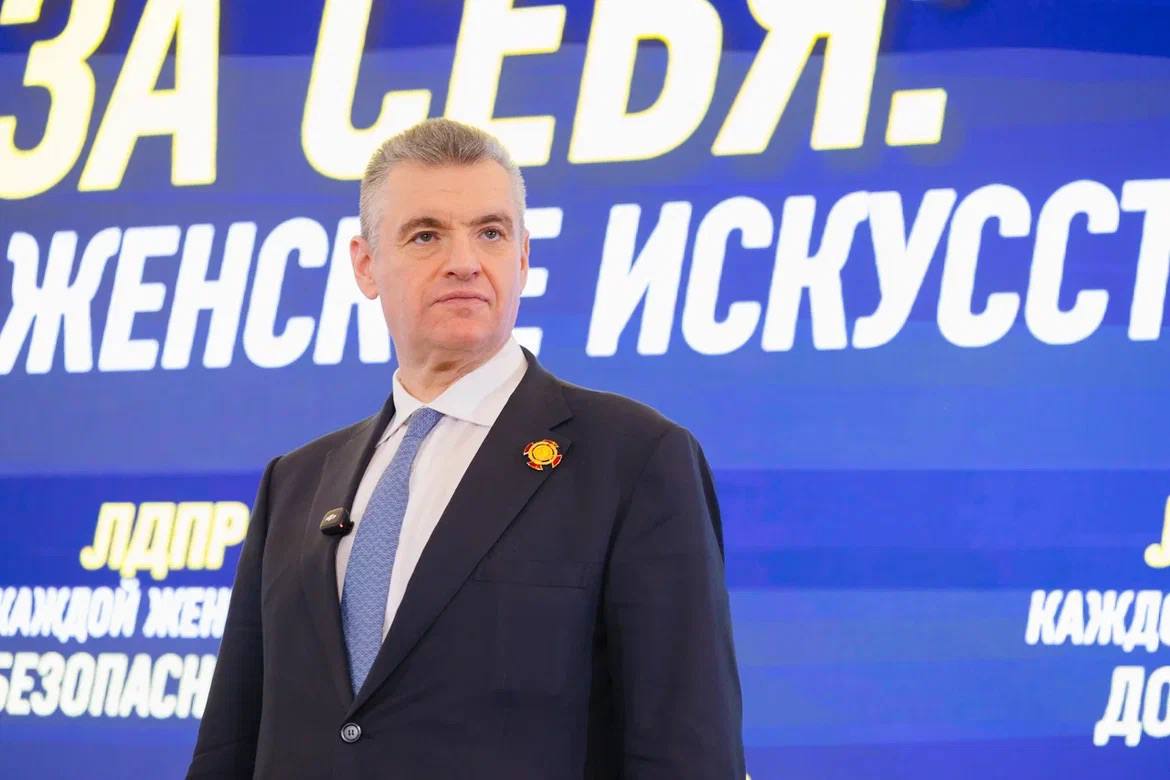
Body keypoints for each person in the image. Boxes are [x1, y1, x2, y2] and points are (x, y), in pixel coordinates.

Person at [186, 118, 744, 779]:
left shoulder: (636, 459)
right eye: (426, 235)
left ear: (523, 258)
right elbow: (231, 742)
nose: (464, 261)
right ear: (366, 265)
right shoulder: (296, 483)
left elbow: (687, 749)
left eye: (491, 233)